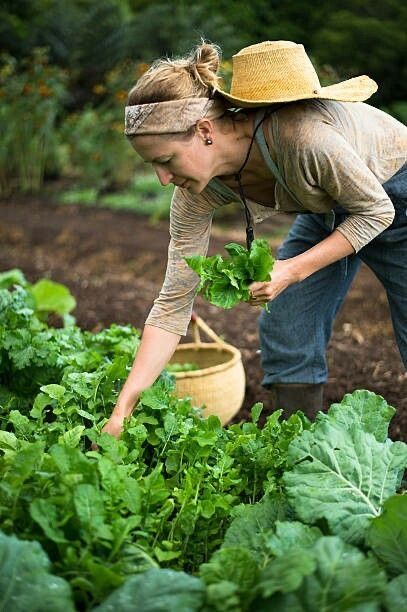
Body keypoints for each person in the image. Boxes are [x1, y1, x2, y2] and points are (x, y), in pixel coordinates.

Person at [102, 40, 407, 439]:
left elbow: (376, 212)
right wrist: (123, 409)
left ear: (205, 131)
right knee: (287, 326)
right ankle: (304, 454)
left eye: (166, 161)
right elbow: (173, 301)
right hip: (327, 209)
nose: (162, 179)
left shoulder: (301, 138)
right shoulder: (197, 193)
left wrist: (292, 270)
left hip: (395, 196)